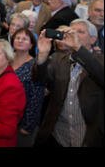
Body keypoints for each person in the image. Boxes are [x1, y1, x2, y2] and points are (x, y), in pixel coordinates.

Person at [35, 19, 104, 147]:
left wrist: (78, 48)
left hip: (89, 135)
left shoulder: (100, 60)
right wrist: (42, 55)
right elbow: (39, 79)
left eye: (80, 32)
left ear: (93, 39)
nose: (74, 34)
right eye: (71, 31)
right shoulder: (58, 59)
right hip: (58, 134)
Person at [11, 28, 45, 147]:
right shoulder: (5, 60)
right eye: (17, 38)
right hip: (3, 118)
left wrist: (28, 126)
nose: (20, 41)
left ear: (31, 45)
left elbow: (36, 98)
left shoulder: (35, 66)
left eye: (24, 39)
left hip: (23, 121)